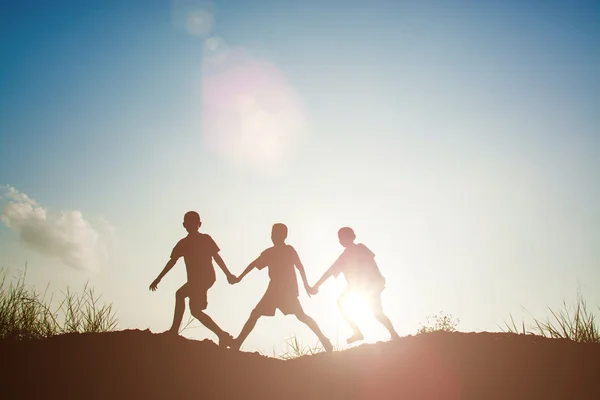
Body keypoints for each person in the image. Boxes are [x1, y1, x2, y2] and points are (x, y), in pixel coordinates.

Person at [230, 223, 333, 352]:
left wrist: (306, 285)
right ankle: (237, 342)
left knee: (300, 316)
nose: (273, 236)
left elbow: (299, 266)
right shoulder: (270, 252)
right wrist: (239, 277)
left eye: (276, 234)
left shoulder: (289, 250)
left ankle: (324, 340)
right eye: (272, 234)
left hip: (286, 290)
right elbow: (254, 264)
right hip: (274, 290)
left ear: (284, 235)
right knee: (257, 314)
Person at [149, 211, 235, 346]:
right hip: (197, 280)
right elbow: (172, 262)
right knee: (195, 310)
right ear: (184, 225)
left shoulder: (205, 238)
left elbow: (216, 257)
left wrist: (228, 274)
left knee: (180, 294)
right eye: (188, 223)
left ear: (199, 224)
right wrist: (159, 278)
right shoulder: (183, 243)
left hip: (206, 277)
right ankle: (223, 335)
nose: (191, 226)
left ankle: (174, 331)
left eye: (194, 223)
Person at [310, 227, 399, 344]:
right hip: (357, 286)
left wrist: (379, 279)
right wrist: (317, 285)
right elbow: (329, 272)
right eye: (340, 238)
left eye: (344, 237)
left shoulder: (360, 247)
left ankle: (393, 334)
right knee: (341, 303)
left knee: (378, 313)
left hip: (369, 284)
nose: (342, 240)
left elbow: (372, 263)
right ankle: (358, 332)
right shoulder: (343, 257)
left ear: (353, 236)